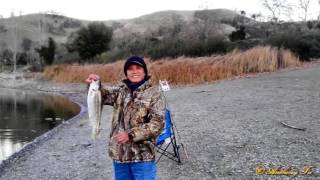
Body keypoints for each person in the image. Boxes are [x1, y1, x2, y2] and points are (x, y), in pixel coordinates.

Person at [85, 56, 165, 180]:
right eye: (130, 69)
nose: (134, 71)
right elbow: (102, 94)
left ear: (144, 71)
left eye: (138, 68)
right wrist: (95, 83)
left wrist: (131, 134)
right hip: (120, 155)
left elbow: (158, 124)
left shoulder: (154, 93)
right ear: (126, 73)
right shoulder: (120, 91)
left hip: (142, 157)